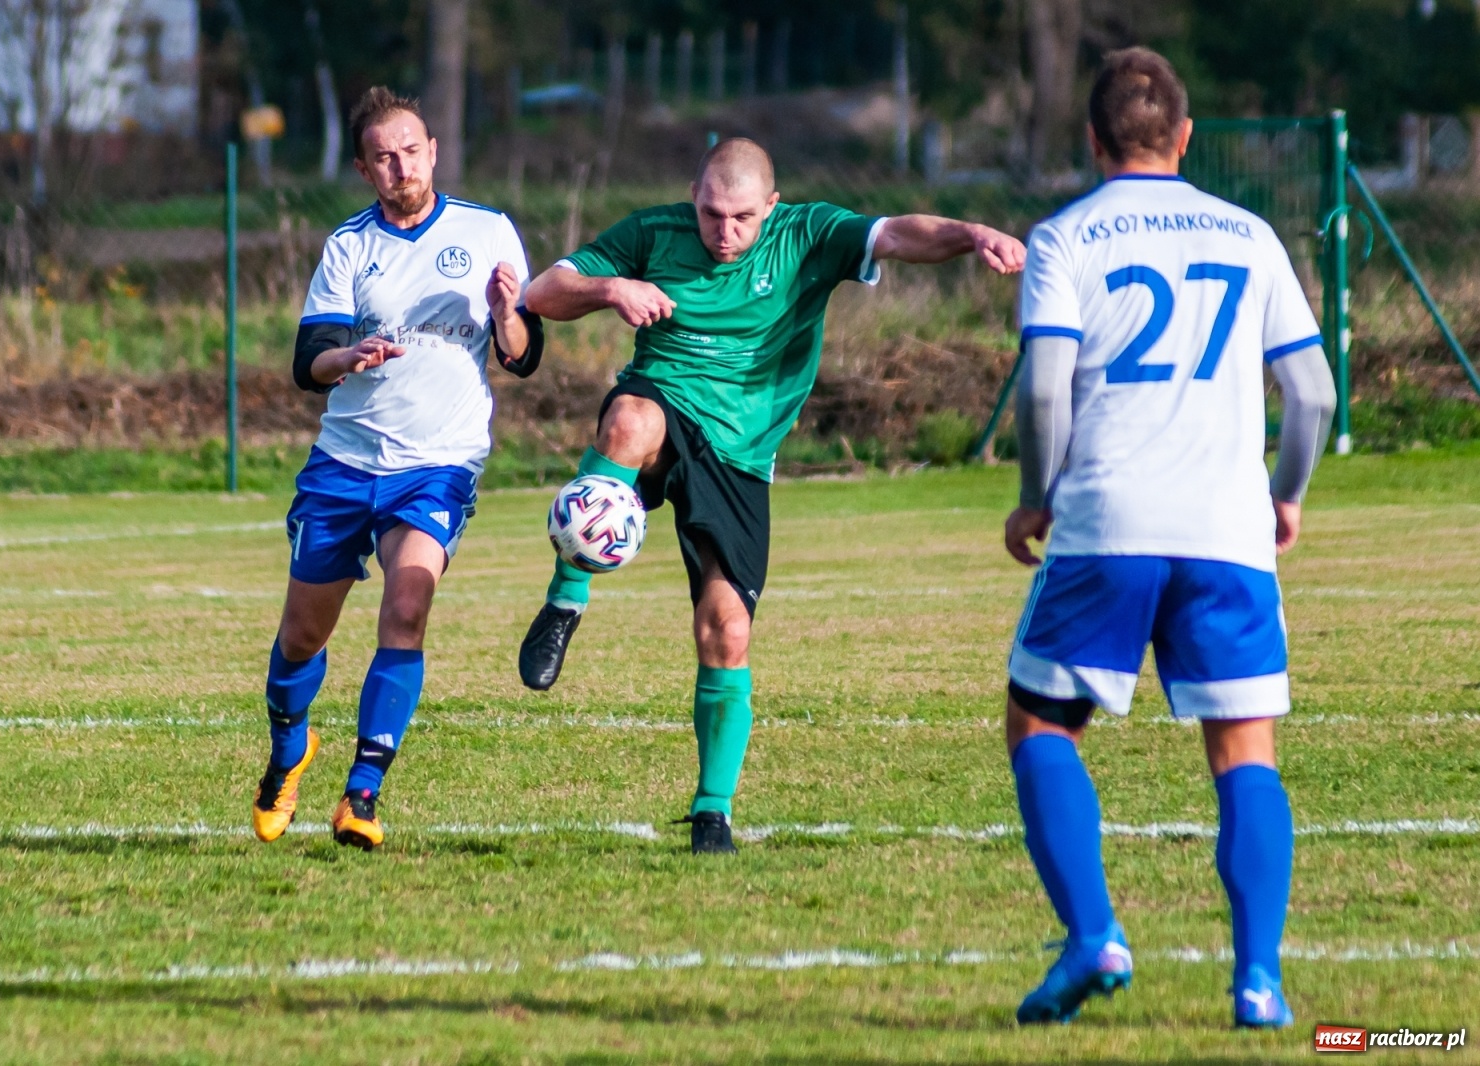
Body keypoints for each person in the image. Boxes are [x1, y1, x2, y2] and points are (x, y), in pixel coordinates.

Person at [517, 138, 1026, 854]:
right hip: (665, 401)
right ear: (692, 195)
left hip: (741, 458)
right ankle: (567, 599)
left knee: (726, 632)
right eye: (710, 214)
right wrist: (611, 288)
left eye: (741, 219)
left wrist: (971, 234)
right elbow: (540, 293)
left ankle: (711, 811)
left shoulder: (806, 235)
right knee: (630, 420)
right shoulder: (652, 232)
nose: (723, 233)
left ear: (772, 208)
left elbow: (898, 234)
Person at [1000, 48, 1336, 1027]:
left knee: (1040, 723)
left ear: (1093, 139)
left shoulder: (1065, 237)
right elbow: (1311, 391)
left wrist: (1035, 494)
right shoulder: (1249, 233)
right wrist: (1284, 493)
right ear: (1184, 138)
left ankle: (1094, 932)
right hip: (1226, 529)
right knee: (1244, 750)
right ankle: (1258, 982)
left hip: (1109, 518)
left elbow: (1041, 383)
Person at [250, 86, 543, 851]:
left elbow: (524, 357)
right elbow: (306, 363)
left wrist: (509, 314)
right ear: (362, 167)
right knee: (303, 636)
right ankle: (289, 750)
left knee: (408, 605)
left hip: (438, 464)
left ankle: (363, 793)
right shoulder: (350, 246)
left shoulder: (489, 234)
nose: (399, 166)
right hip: (346, 463)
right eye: (382, 156)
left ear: (434, 151)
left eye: (410, 150)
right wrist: (346, 356)